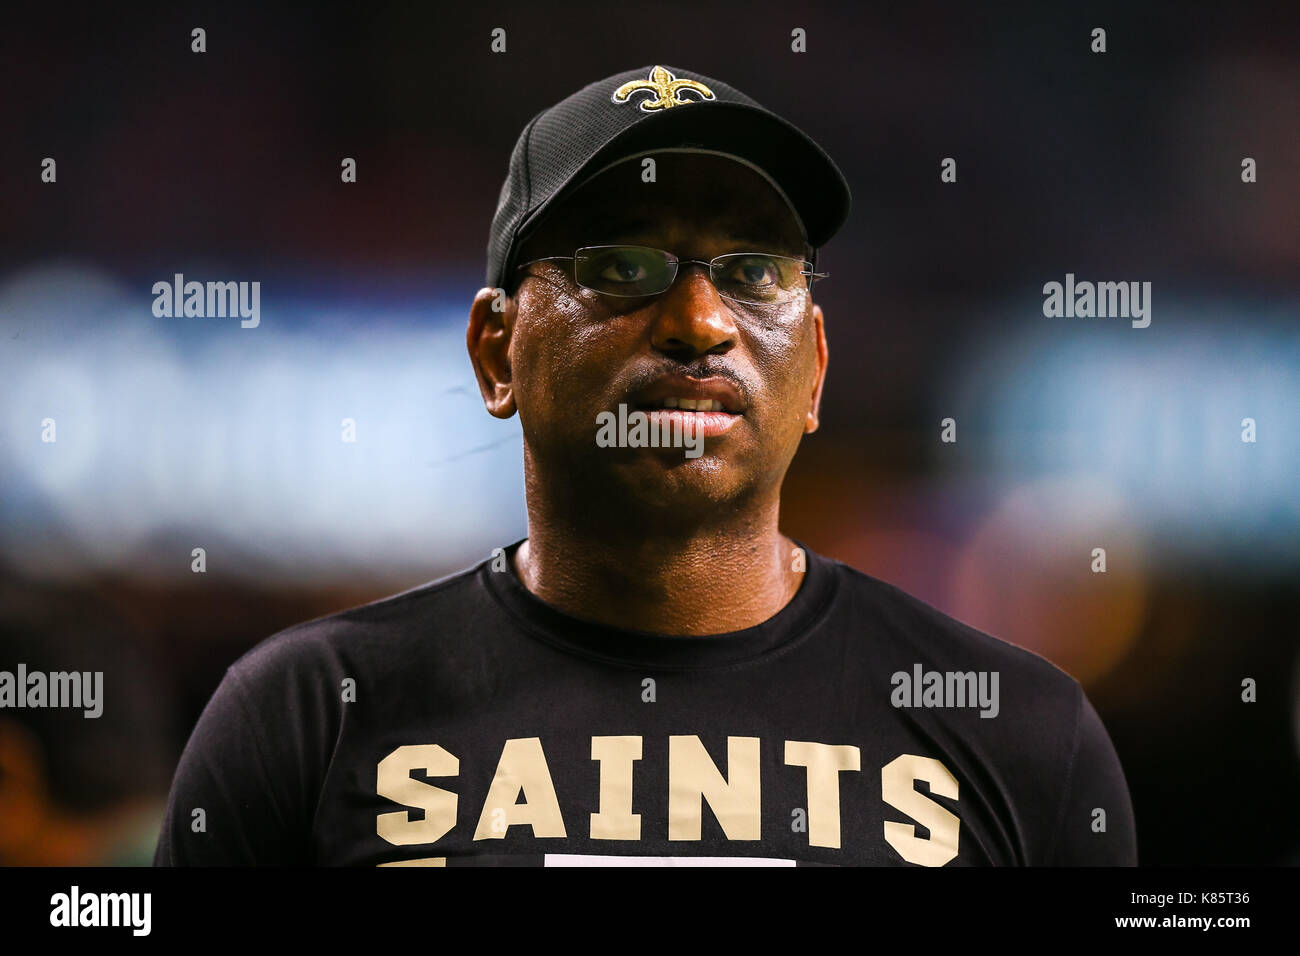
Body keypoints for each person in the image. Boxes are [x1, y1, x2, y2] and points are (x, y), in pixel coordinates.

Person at [154, 65, 1136, 866]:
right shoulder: (298, 717)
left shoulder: (1021, 732)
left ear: (816, 368)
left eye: (753, 272)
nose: (700, 322)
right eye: (620, 265)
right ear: (496, 351)